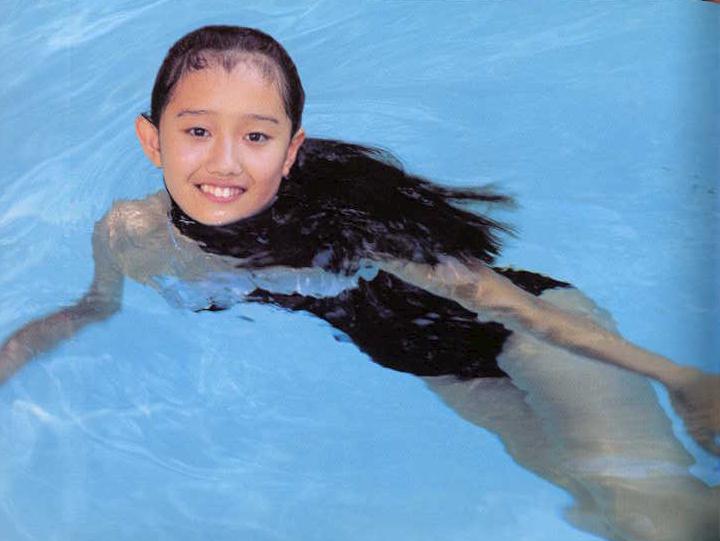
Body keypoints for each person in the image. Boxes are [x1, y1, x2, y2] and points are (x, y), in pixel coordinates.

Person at [0, 25, 718, 540]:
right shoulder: (129, 234)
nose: (224, 162)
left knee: (648, 505)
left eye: (256, 136)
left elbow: (503, 303)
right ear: (151, 139)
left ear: (291, 151)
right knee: (603, 507)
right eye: (196, 131)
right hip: (439, 368)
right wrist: (13, 353)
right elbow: (94, 307)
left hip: (532, 333)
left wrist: (679, 377)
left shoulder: (345, 222)